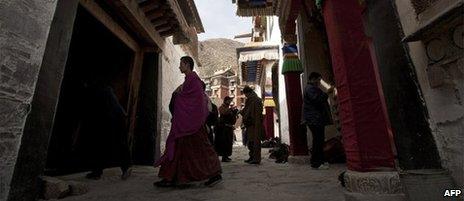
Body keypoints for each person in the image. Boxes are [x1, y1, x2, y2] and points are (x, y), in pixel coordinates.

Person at [154, 56, 222, 187]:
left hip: (194, 125)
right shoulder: (188, 80)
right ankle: (170, 177)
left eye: (181, 64)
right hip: (184, 124)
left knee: (203, 149)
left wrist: (178, 96)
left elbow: (196, 102)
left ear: (187, 64)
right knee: (177, 149)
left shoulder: (194, 81)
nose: (179, 67)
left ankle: (215, 174)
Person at [81, 81, 132, 180]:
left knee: (99, 145)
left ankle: (97, 172)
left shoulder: (92, 91)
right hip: (119, 117)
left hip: (107, 118)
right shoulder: (106, 89)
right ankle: (126, 166)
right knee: (119, 143)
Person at [302, 72, 333, 170]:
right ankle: (316, 162)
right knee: (318, 140)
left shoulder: (312, 88)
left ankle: (320, 160)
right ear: (313, 79)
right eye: (318, 80)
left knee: (319, 140)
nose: (319, 82)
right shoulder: (310, 89)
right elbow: (317, 100)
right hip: (314, 118)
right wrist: (327, 93)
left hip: (316, 118)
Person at [241, 86, 265, 164]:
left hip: (255, 124)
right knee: (250, 142)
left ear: (248, 93)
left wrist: (257, 123)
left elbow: (257, 114)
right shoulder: (250, 100)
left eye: (246, 94)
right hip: (250, 124)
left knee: (255, 142)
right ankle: (252, 157)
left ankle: (256, 159)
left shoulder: (256, 100)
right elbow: (246, 110)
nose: (245, 96)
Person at [214, 96, 238, 162]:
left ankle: (226, 156)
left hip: (229, 128)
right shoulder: (221, 107)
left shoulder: (228, 108)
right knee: (224, 143)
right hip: (223, 129)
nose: (230, 102)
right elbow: (224, 113)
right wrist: (230, 110)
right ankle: (224, 157)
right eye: (229, 100)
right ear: (226, 100)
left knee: (228, 143)